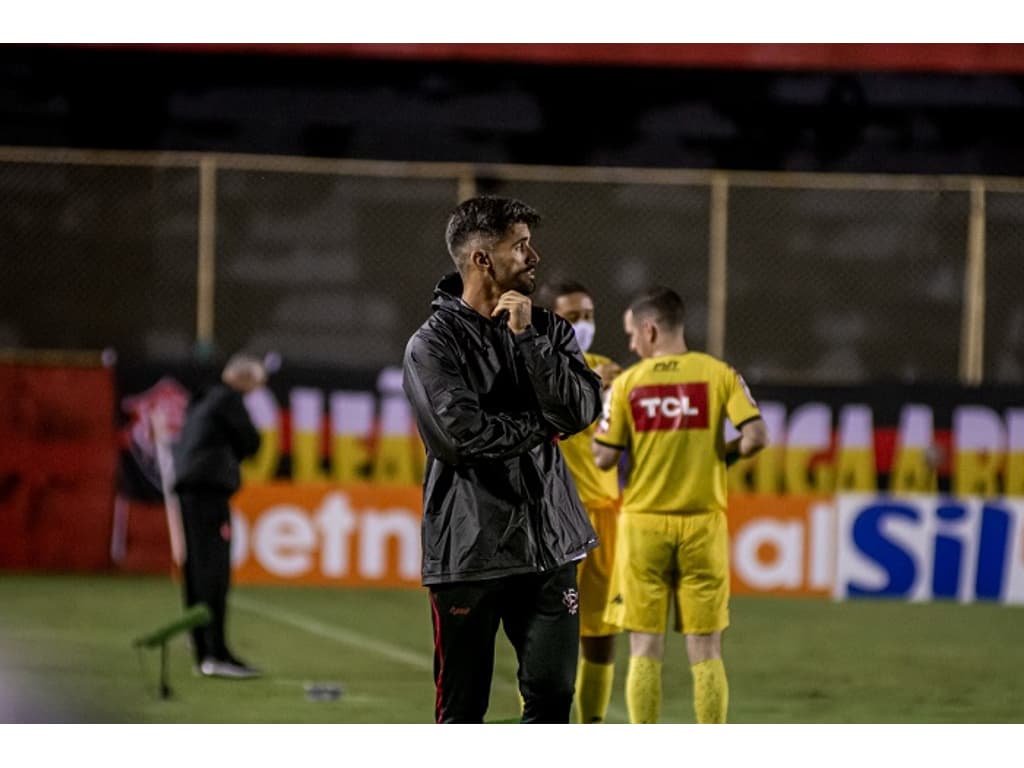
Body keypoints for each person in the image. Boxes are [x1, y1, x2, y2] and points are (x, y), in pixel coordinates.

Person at [402, 195, 603, 723]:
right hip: (470, 551)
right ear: (482, 260)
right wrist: (542, 425)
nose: (534, 256)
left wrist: (527, 340)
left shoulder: (548, 329)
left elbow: (581, 408)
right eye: (520, 246)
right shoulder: (433, 345)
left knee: (554, 699)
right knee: (463, 710)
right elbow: (460, 438)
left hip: (549, 545)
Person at [592, 287, 768, 724]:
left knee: (644, 647)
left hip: (644, 527)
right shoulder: (718, 374)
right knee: (706, 649)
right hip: (702, 526)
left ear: (650, 329)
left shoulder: (629, 383)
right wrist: (721, 455)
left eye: (633, 334)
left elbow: (604, 457)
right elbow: (756, 436)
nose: (632, 344)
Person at [545, 280, 623, 724]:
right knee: (548, 632)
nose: (584, 325)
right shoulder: (541, 367)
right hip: (555, 515)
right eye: (573, 317)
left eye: (589, 315)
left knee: (602, 631)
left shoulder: (612, 371)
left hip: (605, 515)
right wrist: (593, 385)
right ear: (553, 319)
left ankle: (592, 727)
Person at [172, 354, 266, 679]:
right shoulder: (229, 399)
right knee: (214, 572)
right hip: (209, 491)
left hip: (188, 491)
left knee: (196, 571)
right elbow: (252, 442)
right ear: (246, 379)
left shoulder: (203, 398)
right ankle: (214, 653)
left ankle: (201, 645)